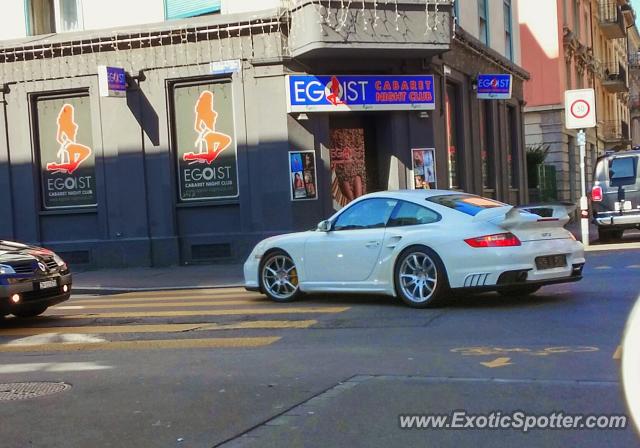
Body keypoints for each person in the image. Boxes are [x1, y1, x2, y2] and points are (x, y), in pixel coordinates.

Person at [184, 90, 232, 164]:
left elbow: (197, 127)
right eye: (210, 99)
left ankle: (191, 156)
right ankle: (192, 156)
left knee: (211, 155)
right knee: (227, 140)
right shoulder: (201, 112)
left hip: (210, 135)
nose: (211, 101)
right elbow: (197, 127)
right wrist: (205, 131)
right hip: (209, 134)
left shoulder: (206, 111)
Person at [46, 104, 92, 175]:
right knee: (86, 151)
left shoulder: (69, 124)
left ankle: (54, 166)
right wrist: (66, 142)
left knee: (72, 164)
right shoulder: (62, 124)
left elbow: (59, 138)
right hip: (69, 146)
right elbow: (59, 138)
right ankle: (54, 166)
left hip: (71, 145)